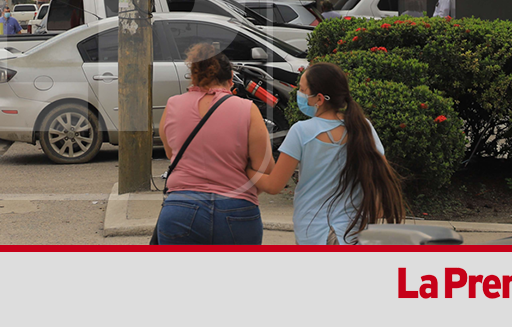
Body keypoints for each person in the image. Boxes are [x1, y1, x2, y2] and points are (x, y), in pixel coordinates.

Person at [246, 62, 405, 245]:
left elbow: (274, 185)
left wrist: (247, 170)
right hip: (354, 232)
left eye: (302, 90)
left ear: (319, 99)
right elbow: (381, 178)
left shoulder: (301, 131)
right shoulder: (363, 127)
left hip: (312, 232)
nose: (299, 94)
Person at [155, 43, 274, 245]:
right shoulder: (247, 109)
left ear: (193, 77)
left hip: (180, 209)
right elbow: (266, 167)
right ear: (230, 79)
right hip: (237, 209)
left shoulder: (172, 105)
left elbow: (170, 153)